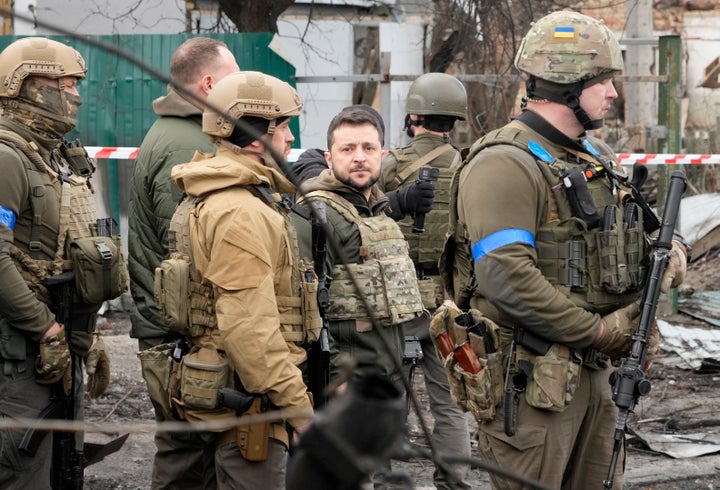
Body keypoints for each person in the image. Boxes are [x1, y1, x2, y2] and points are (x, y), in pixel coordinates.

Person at [440, 10, 688, 489]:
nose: (613, 93)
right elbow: (507, 279)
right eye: (604, 82)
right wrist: (600, 332)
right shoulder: (504, 164)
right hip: (532, 382)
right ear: (566, 84)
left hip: (597, 377)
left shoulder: (597, 159)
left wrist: (670, 258)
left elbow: (637, 243)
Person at [157, 70, 316, 490]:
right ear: (255, 134)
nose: (288, 138)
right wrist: (299, 410)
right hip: (249, 403)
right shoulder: (240, 212)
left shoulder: (227, 195)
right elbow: (250, 330)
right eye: (283, 126)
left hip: (234, 388)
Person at [0, 37, 120, 487]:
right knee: (25, 472)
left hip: (58, 348)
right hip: (18, 359)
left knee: (59, 470)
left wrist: (89, 338)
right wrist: (46, 329)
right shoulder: (8, 157)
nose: (76, 94)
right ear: (27, 85)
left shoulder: (54, 156)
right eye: (66, 82)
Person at [290, 106, 429, 486]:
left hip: (383, 381)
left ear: (382, 154)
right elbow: (301, 313)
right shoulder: (314, 216)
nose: (359, 157)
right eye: (348, 148)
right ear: (329, 156)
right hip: (344, 385)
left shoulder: (377, 211)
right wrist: (333, 382)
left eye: (368, 147)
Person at [127, 36, 239, 489]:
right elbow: (194, 246)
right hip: (179, 333)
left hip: (176, 327)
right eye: (233, 82)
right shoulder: (185, 145)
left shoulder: (188, 131)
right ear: (209, 84)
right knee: (187, 458)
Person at [377, 72, 472, 490]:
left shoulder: (390, 165)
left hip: (393, 298)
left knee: (388, 397)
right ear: (454, 119)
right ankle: (453, 481)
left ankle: (386, 480)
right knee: (449, 399)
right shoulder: (469, 166)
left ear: (414, 114)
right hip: (447, 302)